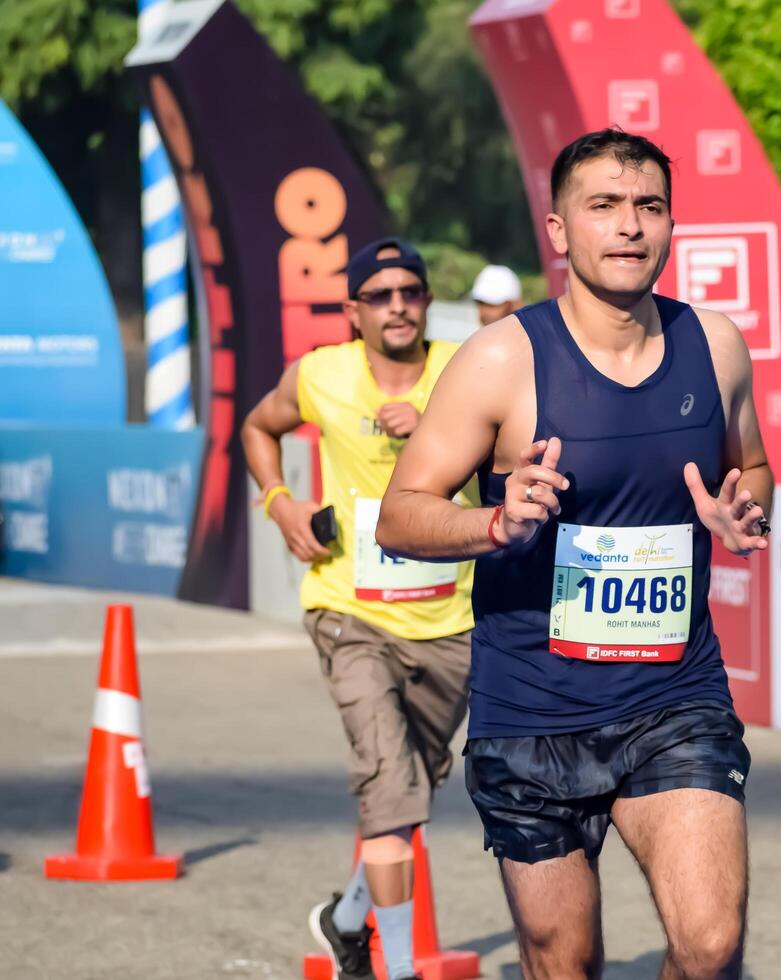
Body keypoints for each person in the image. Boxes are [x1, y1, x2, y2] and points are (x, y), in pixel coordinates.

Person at [376, 129, 774, 980]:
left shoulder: (717, 345)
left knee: (709, 943)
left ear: (670, 224)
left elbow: (754, 466)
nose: (629, 225)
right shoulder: (501, 360)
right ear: (558, 231)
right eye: (603, 206)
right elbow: (400, 516)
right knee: (565, 960)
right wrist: (494, 526)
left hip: (674, 695)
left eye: (649, 206)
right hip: (532, 711)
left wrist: (748, 514)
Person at [241, 237, 476, 980]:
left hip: (452, 618)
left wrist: (444, 426)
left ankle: (346, 921)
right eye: (379, 295)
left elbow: (516, 453)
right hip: (351, 611)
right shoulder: (321, 374)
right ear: (352, 311)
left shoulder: (467, 373)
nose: (397, 305)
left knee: (406, 801)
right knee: (390, 789)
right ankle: (393, 969)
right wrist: (281, 505)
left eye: (410, 291)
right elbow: (257, 426)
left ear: (428, 300)